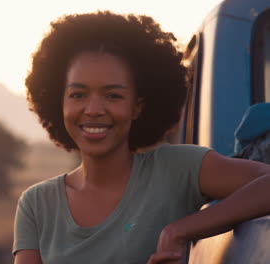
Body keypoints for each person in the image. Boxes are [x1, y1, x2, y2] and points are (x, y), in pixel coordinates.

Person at [13, 11, 270, 264]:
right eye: (77, 95)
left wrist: (180, 230)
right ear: (60, 103)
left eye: (113, 95)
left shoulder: (175, 169)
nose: (93, 109)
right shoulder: (36, 205)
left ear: (138, 106)